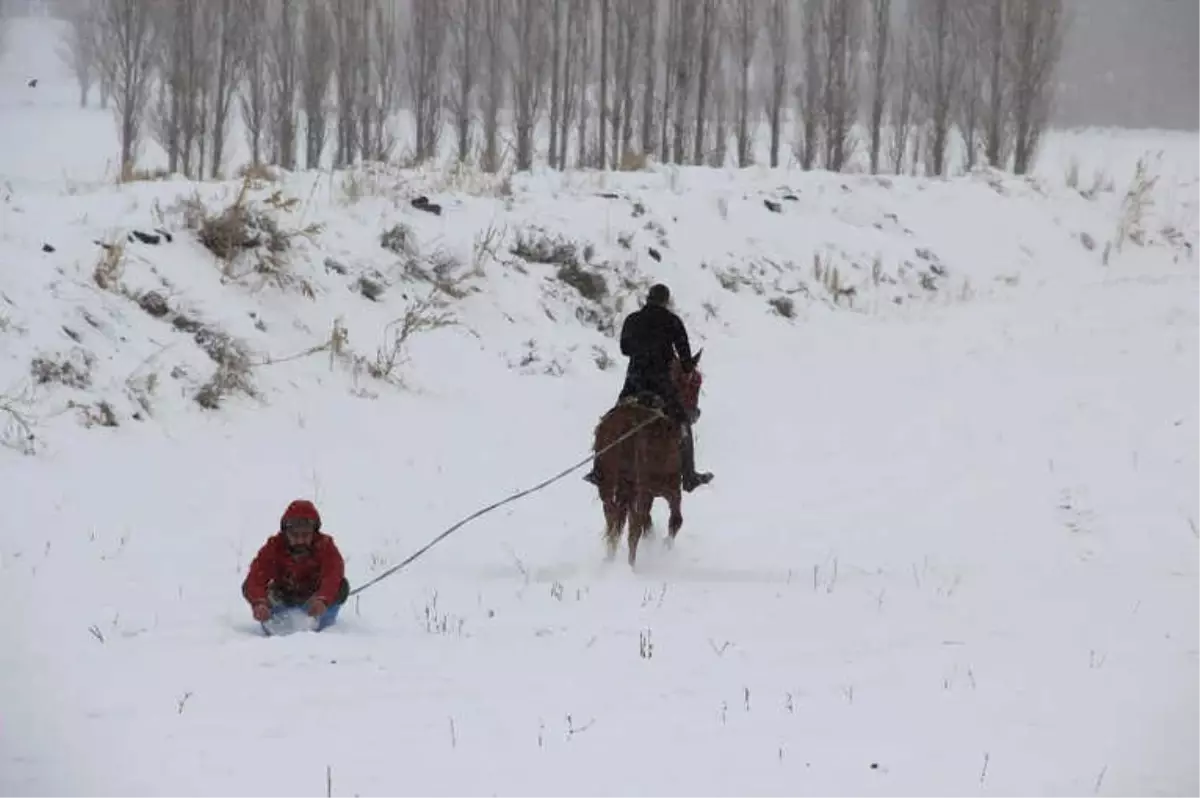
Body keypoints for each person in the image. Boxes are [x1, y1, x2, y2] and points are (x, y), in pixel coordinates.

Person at [585, 283, 714, 492]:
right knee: (683, 422)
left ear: (648, 298)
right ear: (666, 300)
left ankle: (598, 470)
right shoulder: (672, 321)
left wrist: (642, 348)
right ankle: (689, 476)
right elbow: (686, 362)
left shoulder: (633, 319)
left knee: (611, 419)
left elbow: (625, 349)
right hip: (661, 383)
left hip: (634, 381)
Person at [242, 499, 350, 631]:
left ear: (313, 532)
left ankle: (322, 625)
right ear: (286, 533)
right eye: (295, 535)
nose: (300, 540)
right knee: (248, 586)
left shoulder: (325, 545)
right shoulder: (274, 546)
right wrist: (259, 603)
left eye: (305, 535)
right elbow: (256, 576)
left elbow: (334, 574)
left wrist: (323, 599)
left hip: (313, 597)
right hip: (283, 595)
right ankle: (275, 625)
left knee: (341, 587)